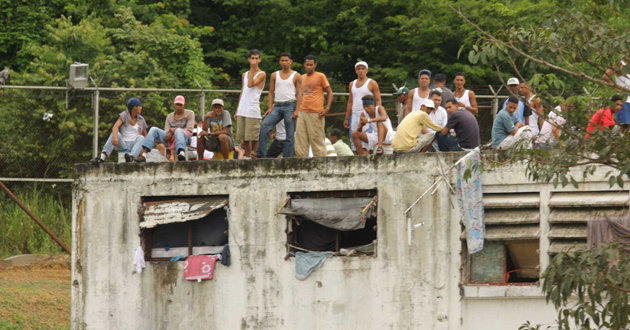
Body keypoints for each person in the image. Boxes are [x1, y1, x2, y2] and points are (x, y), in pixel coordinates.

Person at [255, 52, 300, 158]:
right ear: (280, 62)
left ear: (291, 62)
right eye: (282, 60)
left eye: (286, 60)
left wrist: (297, 109)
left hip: (290, 104)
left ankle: (287, 158)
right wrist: (270, 107)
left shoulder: (296, 75)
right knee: (265, 125)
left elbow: (299, 93)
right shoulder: (275, 75)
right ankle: (261, 153)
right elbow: (271, 91)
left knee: (289, 134)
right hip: (278, 105)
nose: (284, 63)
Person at [294, 55, 333, 157]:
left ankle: (321, 162)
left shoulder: (320, 76)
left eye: (311, 65)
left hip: (316, 112)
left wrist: (327, 108)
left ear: (315, 65)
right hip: (302, 111)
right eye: (307, 65)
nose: (309, 67)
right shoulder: (301, 78)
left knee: (317, 138)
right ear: (304, 65)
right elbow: (299, 95)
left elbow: (329, 92)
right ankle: (301, 161)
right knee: (300, 138)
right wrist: (297, 110)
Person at [136, 95, 194, 161]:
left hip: (185, 137)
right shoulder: (169, 116)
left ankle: (181, 152)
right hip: (170, 137)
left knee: (178, 131)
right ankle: (144, 154)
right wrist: (170, 133)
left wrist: (174, 130)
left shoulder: (190, 113)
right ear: (174, 105)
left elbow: (189, 129)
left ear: (184, 105)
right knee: (153, 129)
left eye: (180, 105)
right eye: (177, 104)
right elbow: (166, 131)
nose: (178, 107)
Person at [92, 97, 148, 164]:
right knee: (115, 133)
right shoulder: (124, 115)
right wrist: (115, 137)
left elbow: (145, 135)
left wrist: (143, 149)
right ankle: (102, 157)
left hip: (134, 145)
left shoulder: (141, 119)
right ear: (135, 107)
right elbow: (115, 127)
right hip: (123, 144)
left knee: (141, 137)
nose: (141, 108)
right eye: (140, 106)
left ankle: (131, 157)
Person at [235, 49, 266, 157]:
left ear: (260, 60)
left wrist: (253, 68)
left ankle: (254, 156)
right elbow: (243, 91)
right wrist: (237, 110)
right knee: (244, 139)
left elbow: (251, 84)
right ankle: (246, 158)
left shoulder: (261, 74)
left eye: (256, 58)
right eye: (252, 58)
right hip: (243, 109)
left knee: (252, 137)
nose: (254, 60)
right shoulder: (245, 74)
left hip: (252, 110)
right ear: (249, 59)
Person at [344, 61, 382, 150]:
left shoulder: (372, 83)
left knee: (366, 141)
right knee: (355, 141)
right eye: (359, 69)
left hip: (367, 115)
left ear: (366, 70)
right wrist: (346, 118)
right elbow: (350, 101)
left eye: (363, 69)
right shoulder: (352, 84)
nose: (361, 71)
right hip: (354, 115)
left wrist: (377, 114)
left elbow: (378, 100)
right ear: (356, 71)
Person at [602, 60, 630, 129]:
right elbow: (605, 76)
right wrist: (616, 86)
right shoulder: (620, 63)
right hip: (624, 101)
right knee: (623, 125)